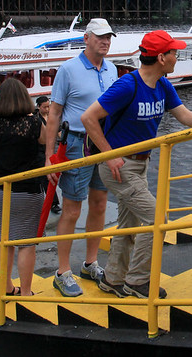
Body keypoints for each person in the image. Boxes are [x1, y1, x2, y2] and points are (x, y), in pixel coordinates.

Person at [82, 30, 192, 299]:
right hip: (118, 166)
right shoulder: (128, 85)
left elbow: (185, 117)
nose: (177, 56)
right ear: (161, 57)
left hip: (139, 164)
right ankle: (138, 281)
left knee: (129, 225)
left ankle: (114, 279)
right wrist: (108, 154)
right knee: (156, 219)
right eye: (174, 52)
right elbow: (88, 118)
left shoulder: (163, 85)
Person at [45, 18, 118, 297]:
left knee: (99, 204)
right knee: (72, 208)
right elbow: (54, 113)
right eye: (100, 37)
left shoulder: (111, 69)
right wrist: (50, 156)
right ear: (86, 38)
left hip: (102, 141)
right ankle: (62, 271)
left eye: (108, 37)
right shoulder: (68, 69)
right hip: (75, 141)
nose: (105, 41)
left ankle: (90, 263)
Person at [0, 79, 49, 297]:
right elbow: (47, 141)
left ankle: (7, 288)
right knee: (27, 242)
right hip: (27, 188)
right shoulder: (33, 124)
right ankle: (26, 292)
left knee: (5, 239)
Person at [35, 95, 61, 215]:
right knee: (46, 177)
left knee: (48, 177)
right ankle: (53, 203)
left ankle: (52, 202)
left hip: (50, 149)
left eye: (48, 106)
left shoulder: (52, 117)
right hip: (39, 151)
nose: (47, 109)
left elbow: (59, 131)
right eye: (44, 107)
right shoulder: (36, 120)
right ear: (38, 107)